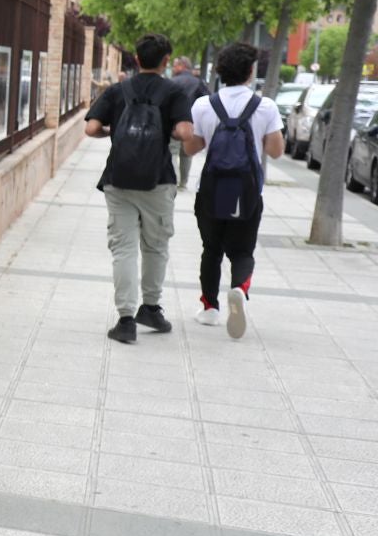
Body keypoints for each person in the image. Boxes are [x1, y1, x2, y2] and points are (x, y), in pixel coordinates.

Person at [83, 31, 197, 344]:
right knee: (155, 246)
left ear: (135, 58)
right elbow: (186, 133)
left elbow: (91, 127)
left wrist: (115, 132)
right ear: (165, 61)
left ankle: (124, 319)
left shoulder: (119, 90)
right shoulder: (174, 92)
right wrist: (170, 132)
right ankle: (150, 308)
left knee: (123, 248)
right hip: (158, 181)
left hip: (118, 180)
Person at [188, 41, 283, 337]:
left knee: (211, 249)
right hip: (247, 189)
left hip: (213, 188)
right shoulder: (265, 106)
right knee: (242, 250)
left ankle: (209, 308)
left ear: (220, 71)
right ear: (250, 71)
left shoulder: (204, 105)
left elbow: (192, 147)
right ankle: (240, 288)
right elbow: (276, 151)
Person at [168, 56, 209, 190]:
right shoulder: (198, 83)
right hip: (191, 125)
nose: (173, 68)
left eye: (174, 65)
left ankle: (174, 181)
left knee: (172, 152)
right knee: (186, 154)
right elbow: (207, 102)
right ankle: (183, 183)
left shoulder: (171, 82)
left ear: (182, 66)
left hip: (172, 124)